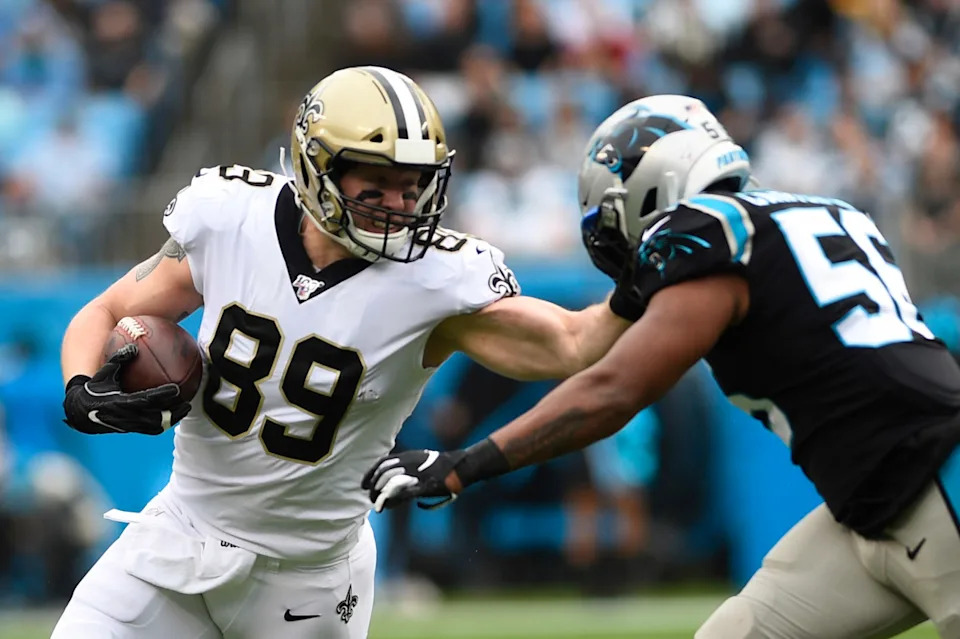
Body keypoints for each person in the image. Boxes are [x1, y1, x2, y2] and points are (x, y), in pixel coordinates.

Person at [53, 65, 631, 639]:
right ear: (315, 167)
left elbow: (572, 344)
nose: (400, 206)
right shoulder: (232, 219)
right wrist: (82, 389)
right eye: (375, 185)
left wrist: (640, 288)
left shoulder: (436, 283)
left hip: (307, 585)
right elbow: (103, 312)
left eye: (413, 186)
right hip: (178, 536)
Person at [364, 96, 960, 638]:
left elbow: (615, 389)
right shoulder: (824, 212)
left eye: (613, 206)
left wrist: (465, 465)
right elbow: (593, 334)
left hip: (933, 475)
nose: (615, 233)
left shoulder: (707, 230)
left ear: (656, 182)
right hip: (874, 504)